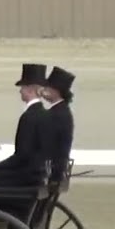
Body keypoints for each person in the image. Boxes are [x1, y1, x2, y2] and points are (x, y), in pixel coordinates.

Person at [0, 64, 50, 190]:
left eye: (22, 88)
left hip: (27, 174)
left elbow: (22, 155)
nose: (20, 91)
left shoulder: (29, 117)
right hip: (36, 172)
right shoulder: (44, 114)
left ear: (30, 90)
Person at [42, 66, 75, 195]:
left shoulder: (57, 114)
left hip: (52, 168)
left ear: (56, 91)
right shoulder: (61, 111)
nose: (44, 90)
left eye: (47, 87)